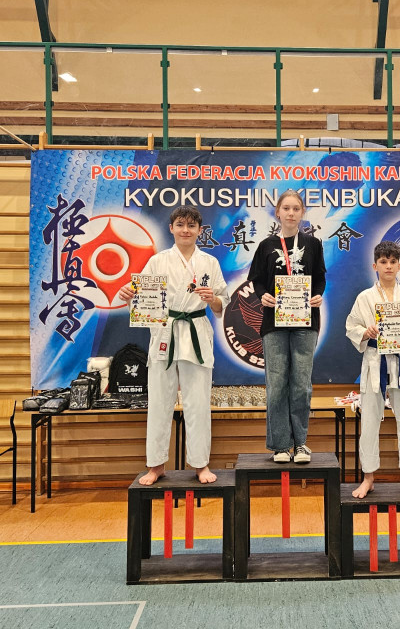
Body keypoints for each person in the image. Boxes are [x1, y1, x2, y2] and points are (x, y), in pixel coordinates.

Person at [118, 206, 229, 485]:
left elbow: (222, 303)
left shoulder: (209, 263)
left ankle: (201, 464)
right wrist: (129, 295)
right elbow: (143, 300)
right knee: (159, 402)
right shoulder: (158, 261)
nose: (185, 230)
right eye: (180, 225)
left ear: (200, 230)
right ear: (171, 228)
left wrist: (212, 299)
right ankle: (156, 465)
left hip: (196, 332)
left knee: (198, 402)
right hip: (164, 333)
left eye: (191, 226)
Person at [346, 241, 400, 499]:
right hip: (374, 362)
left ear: (399, 266)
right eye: (383, 262)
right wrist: (365, 332)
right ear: (375, 265)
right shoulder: (365, 297)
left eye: (393, 262)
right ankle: (368, 478)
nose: (388, 266)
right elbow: (351, 327)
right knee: (370, 421)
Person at [248, 189, 326, 464]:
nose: (291, 213)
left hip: (305, 321)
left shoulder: (313, 244)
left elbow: (320, 278)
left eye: (296, 208)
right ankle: (281, 445)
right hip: (274, 322)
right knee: (277, 384)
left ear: (303, 213)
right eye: (286, 208)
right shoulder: (266, 245)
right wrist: (262, 296)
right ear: (277, 212)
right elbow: (257, 280)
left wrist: (318, 295)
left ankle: (301, 443)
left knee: (301, 385)